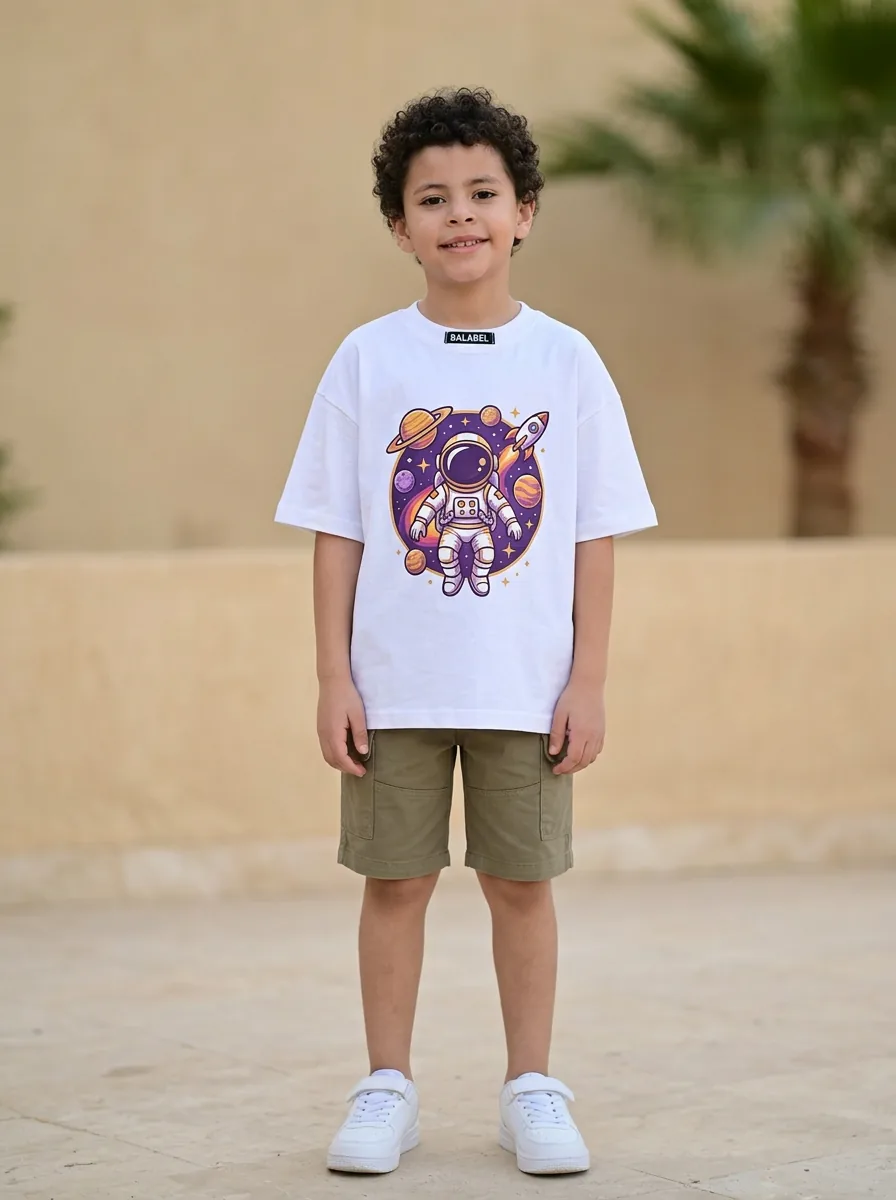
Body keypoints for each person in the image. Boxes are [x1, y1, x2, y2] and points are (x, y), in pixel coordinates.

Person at [275, 87, 657, 1177]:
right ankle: (385, 1086)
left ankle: (529, 1086)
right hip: (391, 685)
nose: (459, 215)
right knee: (392, 884)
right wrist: (330, 677)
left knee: (519, 885)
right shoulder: (365, 360)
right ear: (399, 225)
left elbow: (591, 534)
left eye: (481, 193)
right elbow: (336, 531)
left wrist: (587, 679)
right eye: (430, 198)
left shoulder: (567, 364)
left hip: (523, 685)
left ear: (524, 210)